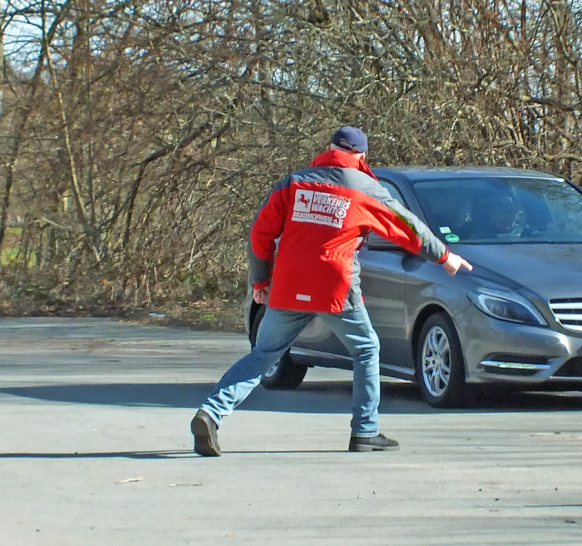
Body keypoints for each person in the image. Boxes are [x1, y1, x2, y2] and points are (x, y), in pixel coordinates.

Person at [190, 126, 473, 456]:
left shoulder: (293, 183)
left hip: (289, 285)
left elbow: (259, 234)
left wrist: (260, 282)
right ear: (362, 156)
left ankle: (210, 413)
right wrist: (444, 256)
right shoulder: (366, 188)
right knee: (366, 350)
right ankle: (365, 432)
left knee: (262, 355)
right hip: (335, 287)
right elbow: (405, 226)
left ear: (329, 148)